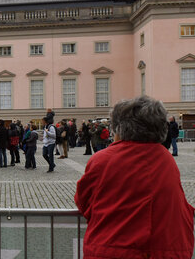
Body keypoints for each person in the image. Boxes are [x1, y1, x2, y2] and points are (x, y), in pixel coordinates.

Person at [75, 96, 194, 258]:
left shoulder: (103, 159)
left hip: (113, 248)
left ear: (119, 128)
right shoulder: (165, 158)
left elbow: (84, 201)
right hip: (168, 248)